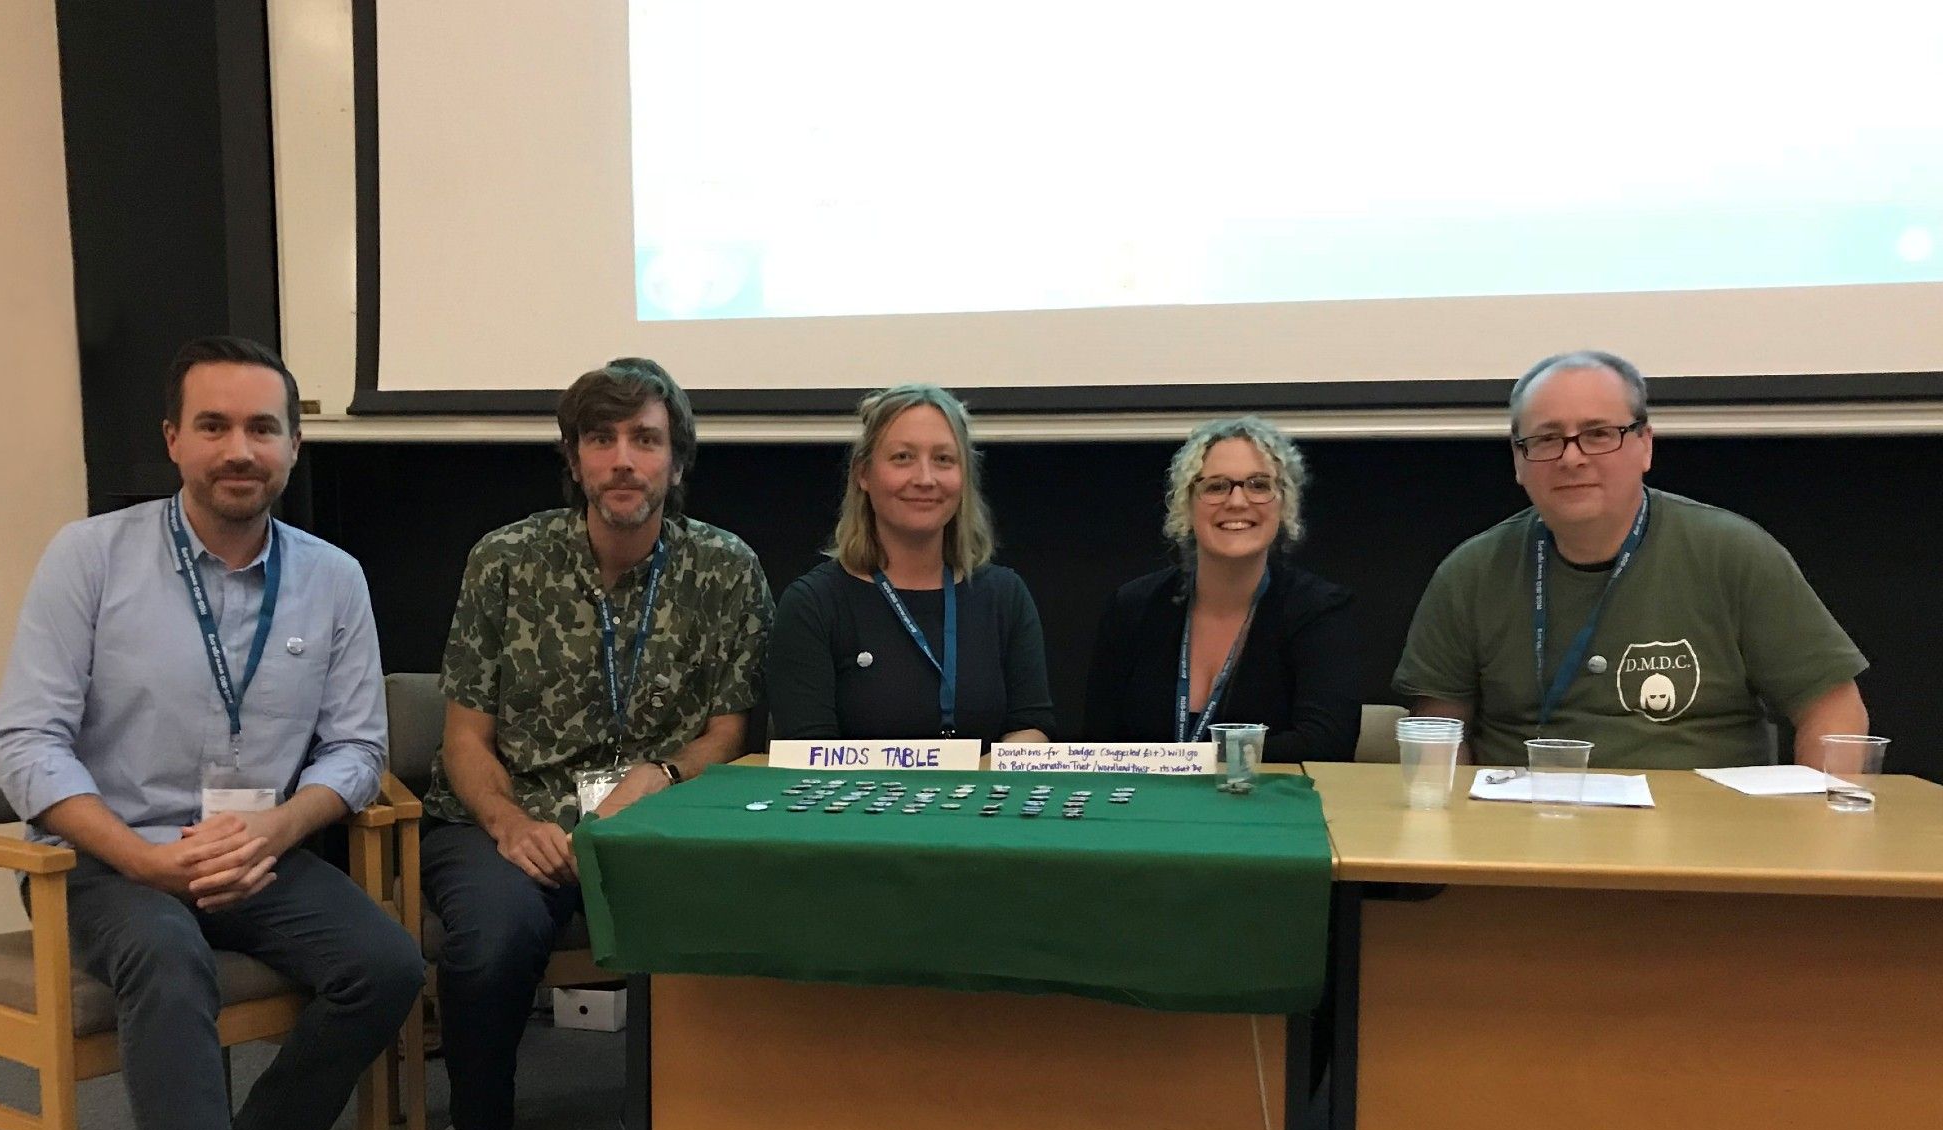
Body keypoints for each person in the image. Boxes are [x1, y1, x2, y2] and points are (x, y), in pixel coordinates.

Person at [0, 336, 423, 1130]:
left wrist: (277, 830)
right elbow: (25, 741)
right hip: (112, 858)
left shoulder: (332, 577)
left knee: (387, 963)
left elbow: (355, 749)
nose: (241, 449)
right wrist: (136, 856)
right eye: (216, 426)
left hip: (259, 852)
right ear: (174, 440)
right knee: (169, 962)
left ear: (291, 445)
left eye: (264, 428)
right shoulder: (89, 557)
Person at [421, 356, 772, 1130]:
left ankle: (673, 1118)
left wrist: (662, 773)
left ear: (676, 463)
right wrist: (507, 824)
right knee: (492, 935)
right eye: (602, 439)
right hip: (515, 816)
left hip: (660, 818)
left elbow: (730, 729)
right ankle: (475, 1124)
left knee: (742, 910)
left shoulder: (726, 570)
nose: (623, 459)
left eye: (645, 440)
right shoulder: (503, 561)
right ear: (574, 459)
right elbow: (464, 737)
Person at [1393, 350, 1868, 768]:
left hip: (1705, 842)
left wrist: (1818, 834)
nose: (1572, 458)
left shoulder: (1734, 554)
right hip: (1529, 838)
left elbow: (1832, 711)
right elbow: (1438, 729)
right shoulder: (1471, 573)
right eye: (1547, 439)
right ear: (1518, 461)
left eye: (1599, 434)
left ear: (1645, 444)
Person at [765, 384, 1055, 744]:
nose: (925, 478)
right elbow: (807, 754)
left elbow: (1031, 726)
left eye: (944, 459)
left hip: (978, 799)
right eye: (902, 457)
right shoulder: (813, 605)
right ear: (863, 474)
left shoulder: (1004, 597)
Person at [1084, 415, 1361, 759]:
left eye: (1259, 485)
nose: (1237, 501)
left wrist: (1196, 764)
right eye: (1216, 486)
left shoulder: (1320, 611)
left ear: (1284, 503)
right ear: (1186, 504)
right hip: (1146, 806)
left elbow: (1326, 746)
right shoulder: (1133, 608)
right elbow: (1097, 745)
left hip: (1266, 807)